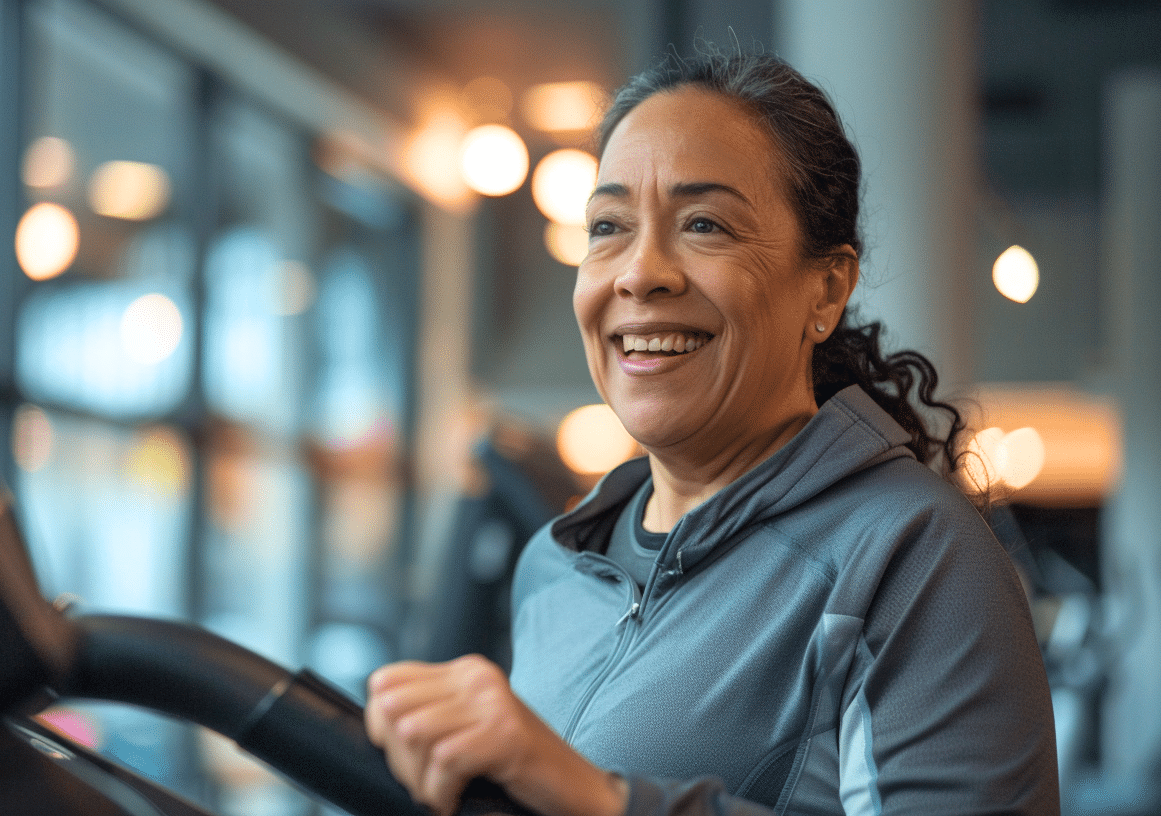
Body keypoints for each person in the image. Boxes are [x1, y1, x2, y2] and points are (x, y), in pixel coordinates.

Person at [363, 47, 1061, 816]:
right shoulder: (553, 570)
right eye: (607, 226)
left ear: (825, 290)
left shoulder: (913, 555)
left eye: (704, 224)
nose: (639, 273)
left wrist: (603, 802)